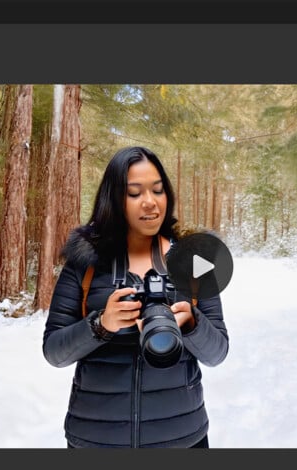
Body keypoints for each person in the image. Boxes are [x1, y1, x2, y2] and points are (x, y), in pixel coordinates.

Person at [43, 146, 229, 448]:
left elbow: (217, 353)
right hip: (96, 440)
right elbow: (54, 352)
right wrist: (101, 325)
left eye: (158, 190)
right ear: (114, 199)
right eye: (134, 193)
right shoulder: (84, 262)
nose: (150, 202)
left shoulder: (194, 261)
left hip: (182, 438)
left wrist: (192, 324)